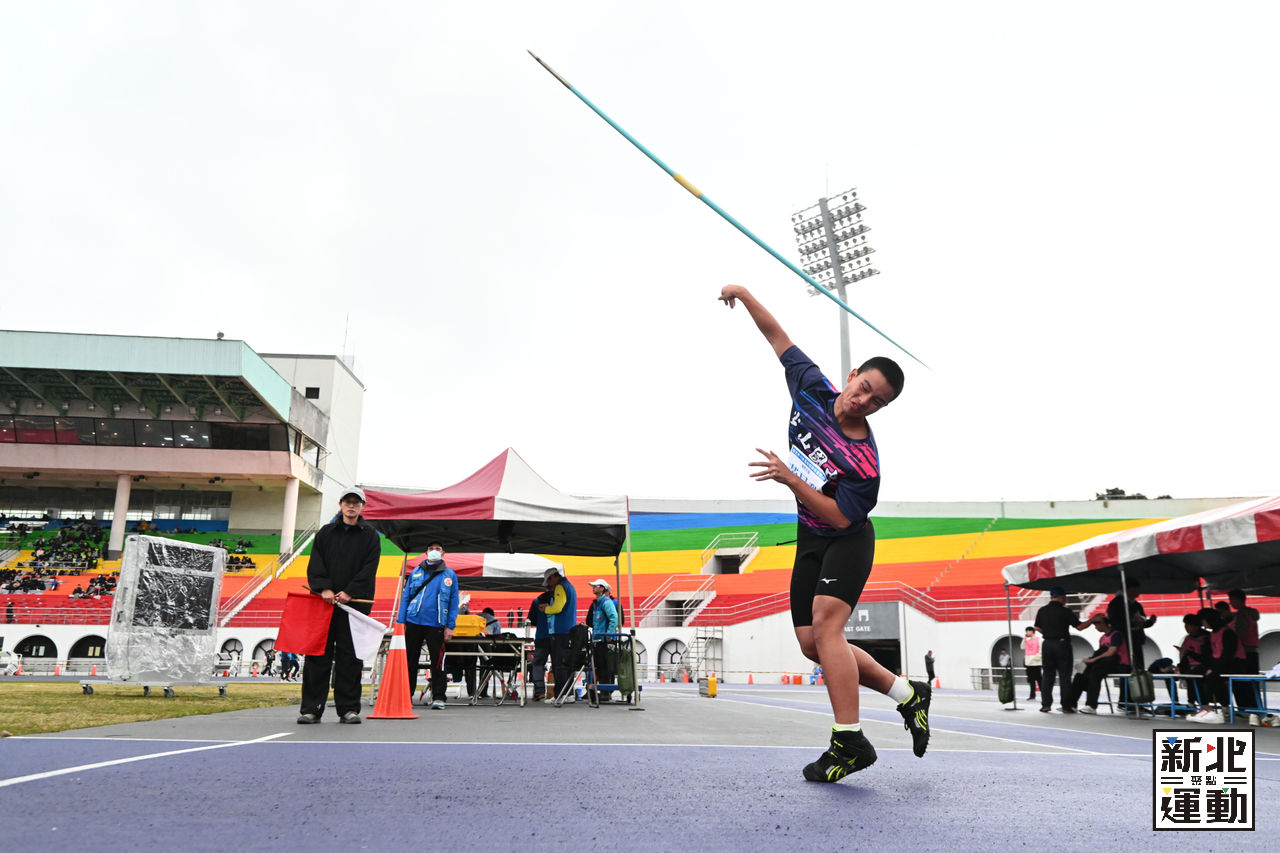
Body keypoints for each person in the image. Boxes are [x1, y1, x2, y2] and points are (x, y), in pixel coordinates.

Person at [719, 283, 929, 783]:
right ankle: (908, 694)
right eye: (863, 388)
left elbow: (839, 518)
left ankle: (848, 741)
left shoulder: (865, 465)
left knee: (827, 627)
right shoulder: (812, 387)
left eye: (876, 402)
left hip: (846, 539)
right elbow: (778, 337)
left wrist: (791, 479)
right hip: (810, 536)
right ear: (851, 376)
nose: (863, 401)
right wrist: (744, 293)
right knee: (811, 643)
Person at [297, 487, 380, 725]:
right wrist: (324, 588)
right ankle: (312, 709)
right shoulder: (326, 533)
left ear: (362, 506)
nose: (351, 506)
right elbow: (316, 563)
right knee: (317, 656)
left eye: (356, 502)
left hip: (354, 606)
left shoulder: (370, 535)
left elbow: (369, 568)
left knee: (350, 658)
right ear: (341, 504)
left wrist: (350, 592)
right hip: (324, 604)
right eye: (347, 502)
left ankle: (348, 709)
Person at [397, 542, 459, 710]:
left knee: (438, 661)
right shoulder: (415, 572)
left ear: (443, 553)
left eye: (438, 549)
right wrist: (401, 622)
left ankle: (439, 697)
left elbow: (454, 602)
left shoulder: (450, 575)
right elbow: (406, 597)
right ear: (426, 552)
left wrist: (450, 626)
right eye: (431, 549)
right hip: (413, 621)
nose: (434, 551)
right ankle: (406, 695)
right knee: (409, 660)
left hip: (437, 622)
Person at [1033, 587, 1093, 713]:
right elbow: (1080, 627)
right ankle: (1066, 705)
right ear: (1062, 597)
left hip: (1047, 644)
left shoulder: (1042, 610)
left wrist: (1048, 633)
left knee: (1047, 675)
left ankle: (1046, 705)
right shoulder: (1065, 611)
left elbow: (1037, 627)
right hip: (1062, 644)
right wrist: (1092, 619)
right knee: (1064, 676)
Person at [1069, 616, 1126, 714]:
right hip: (1103, 664)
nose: (1096, 627)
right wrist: (1090, 660)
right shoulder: (1102, 638)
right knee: (1080, 675)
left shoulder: (1116, 635)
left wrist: (1093, 660)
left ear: (1104, 624)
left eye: (1097, 624)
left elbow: (1111, 652)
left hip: (1118, 664)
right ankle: (1071, 704)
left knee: (1095, 673)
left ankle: (1091, 705)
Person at [539, 567, 578, 703]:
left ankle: (559, 695)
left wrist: (546, 609)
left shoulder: (560, 587)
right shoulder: (570, 587)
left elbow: (557, 607)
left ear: (554, 577)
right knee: (567, 664)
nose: (550, 586)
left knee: (558, 664)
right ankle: (569, 694)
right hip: (569, 630)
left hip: (560, 631)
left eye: (549, 582)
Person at [1105, 579, 1156, 673]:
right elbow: (1115, 622)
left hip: (1136, 640)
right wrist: (1133, 623)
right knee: (1127, 668)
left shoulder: (1136, 604)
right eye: (1136, 590)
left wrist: (1149, 622)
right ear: (1129, 589)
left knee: (1138, 668)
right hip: (1124, 641)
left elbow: (1142, 622)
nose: (1138, 594)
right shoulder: (1116, 604)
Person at [587, 578, 619, 702]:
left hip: (604, 641)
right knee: (600, 667)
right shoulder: (598, 603)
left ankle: (605, 693)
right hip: (598, 640)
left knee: (604, 667)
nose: (593, 588)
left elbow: (614, 617)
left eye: (595, 586)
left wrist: (609, 634)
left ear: (602, 588)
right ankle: (603, 692)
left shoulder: (606, 602)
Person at [1227, 589, 1260, 673]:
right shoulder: (1251, 613)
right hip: (1252, 650)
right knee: (1252, 676)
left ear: (1238, 600)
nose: (1230, 603)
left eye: (1231, 600)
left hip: (1242, 651)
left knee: (1243, 678)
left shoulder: (1241, 615)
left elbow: (1240, 634)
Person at [527, 588, 551, 701]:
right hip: (557, 636)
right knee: (558, 664)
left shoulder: (537, 601)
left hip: (541, 636)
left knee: (537, 664)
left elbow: (532, 619)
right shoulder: (558, 600)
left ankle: (539, 691)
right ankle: (558, 691)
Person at [1020, 627, 1041, 702]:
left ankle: (1044, 695)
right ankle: (1032, 696)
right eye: (1026, 631)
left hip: (1036, 663)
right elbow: (1022, 647)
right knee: (1031, 680)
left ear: (1032, 631)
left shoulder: (1038, 639)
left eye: (1028, 631)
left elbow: (1041, 650)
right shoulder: (1027, 640)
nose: (1027, 632)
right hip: (1028, 663)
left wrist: (1036, 658)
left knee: (1039, 679)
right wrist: (1024, 639)